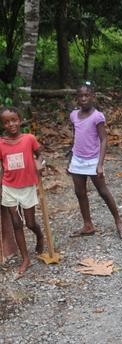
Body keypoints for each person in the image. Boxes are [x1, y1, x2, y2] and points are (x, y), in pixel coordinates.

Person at [67, 84, 122, 239]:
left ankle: (118, 222)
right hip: (77, 159)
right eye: (80, 96)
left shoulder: (97, 116)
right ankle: (88, 225)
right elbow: (75, 137)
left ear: (92, 96)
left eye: (86, 95)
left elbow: (103, 140)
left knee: (103, 191)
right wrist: (70, 160)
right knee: (80, 193)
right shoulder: (74, 115)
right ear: (77, 98)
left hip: (93, 160)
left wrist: (100, 164)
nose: (83, 98)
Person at [0, 107, 45, 274]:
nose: (11, 124)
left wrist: (39, 163)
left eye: (14, 120)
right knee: (16, 223)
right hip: (9, 187)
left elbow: (39, 155)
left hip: (27, 186)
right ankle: (25, 258)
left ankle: (39, 235)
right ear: (3, 124)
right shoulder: (1, 143)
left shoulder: (29, 139)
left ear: (20, 120)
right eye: (7, 122)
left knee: (29, 222)